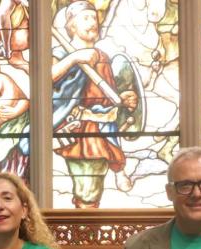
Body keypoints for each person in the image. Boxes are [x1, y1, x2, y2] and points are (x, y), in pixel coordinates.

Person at [51, 1, 137, 208]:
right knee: (87, 190)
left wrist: (125, 99)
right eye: (86, 18)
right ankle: (85, 222)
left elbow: (108, 94)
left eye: (94, 18)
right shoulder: (60, 54)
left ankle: (89, 220)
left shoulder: (103, 57)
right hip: (78, 131)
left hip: (104, 128)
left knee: (93, 189)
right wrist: (74, 58)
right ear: (71, 26)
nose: (93, 22)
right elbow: (44, 80)